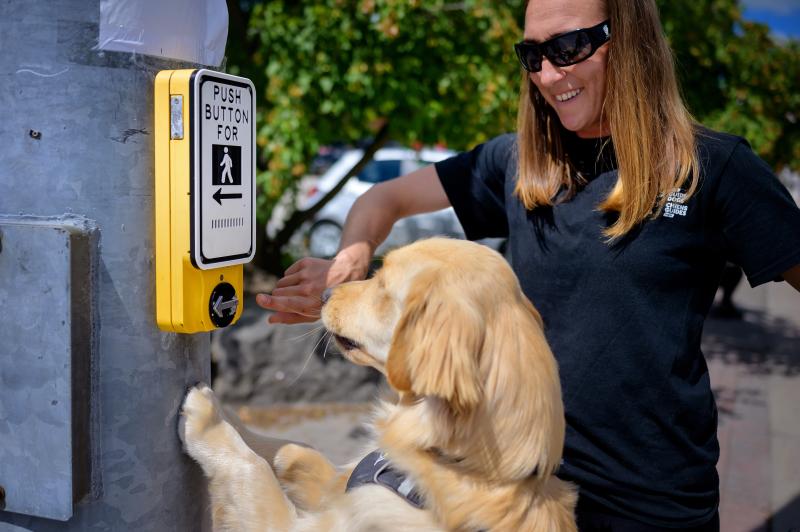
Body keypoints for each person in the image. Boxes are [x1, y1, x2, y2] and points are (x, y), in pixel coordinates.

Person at [256, 0, 800, 529]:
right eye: (531, 54)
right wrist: (349, 262)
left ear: (630, 40)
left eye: (567, 46)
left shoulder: (712, 168)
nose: (546, 73)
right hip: (520, 500)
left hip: (653, 506)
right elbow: (384, 200)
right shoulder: (518, 163)